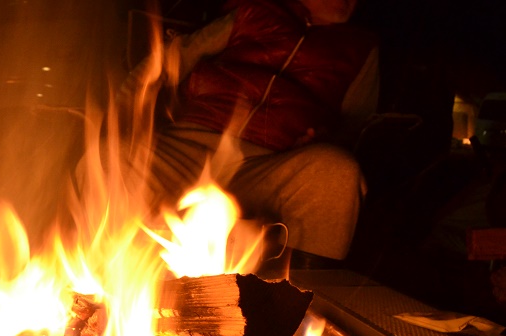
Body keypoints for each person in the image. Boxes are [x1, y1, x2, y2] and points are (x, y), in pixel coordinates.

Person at [117, 0, 379, 267]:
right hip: (187, 145)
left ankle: (304, 290)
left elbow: (357, 123)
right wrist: (124, 112)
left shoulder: (361, 49)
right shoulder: (254, 12)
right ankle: (118, 275)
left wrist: (325, 136)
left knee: (338, 173)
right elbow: (175, 57)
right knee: (114, 158)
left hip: (270, 165)